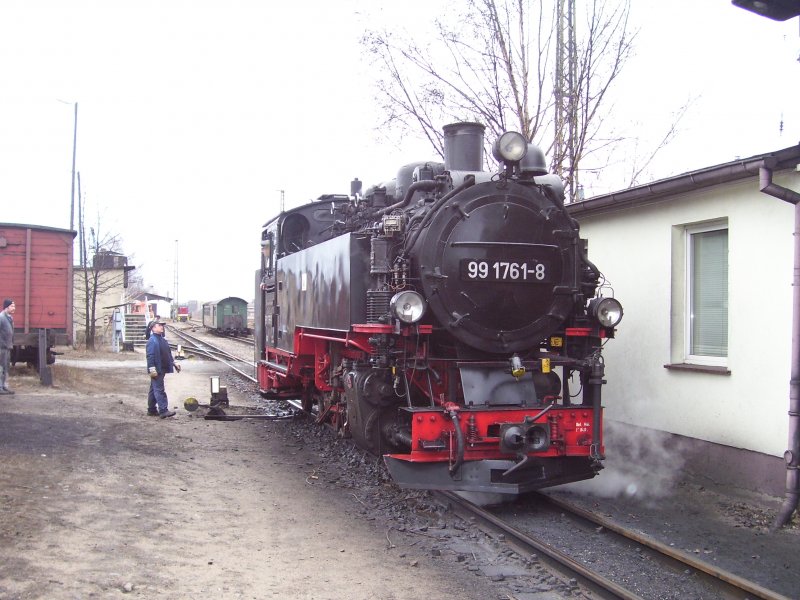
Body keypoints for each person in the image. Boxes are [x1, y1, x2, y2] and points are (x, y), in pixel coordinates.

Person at [145, 320, 180, 418]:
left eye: (162, 325)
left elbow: (168, 353)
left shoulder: (162, 340)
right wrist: (152, 369)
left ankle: (151, 410)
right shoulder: (152, 340)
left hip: (162, 368)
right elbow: (150, 356)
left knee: (154, 389)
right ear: (153, 328)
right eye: (159, 325)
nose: (162, 327)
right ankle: (163, 410)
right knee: (159, 389)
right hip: (157, 369)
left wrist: (174, 363)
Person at [0, 299, 15, 395]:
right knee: (0, 367)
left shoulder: (10, 318)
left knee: (6, 367)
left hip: (7, 347)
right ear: (6, 307)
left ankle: (4, 386)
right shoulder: (1, 318)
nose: (14, 308)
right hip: (1, 347)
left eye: (14, 306)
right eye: (12, 306)